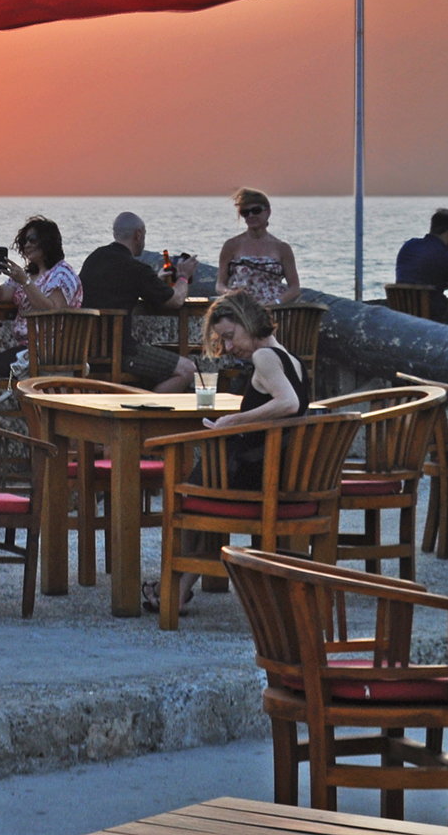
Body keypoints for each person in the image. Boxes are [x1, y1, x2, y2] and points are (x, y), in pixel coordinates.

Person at [142, 290, 311, 615]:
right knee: (206, 486)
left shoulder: (264, 357)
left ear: (248, 322)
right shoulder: (292, 359)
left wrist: (234, 420)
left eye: (231, 337)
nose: (230, 348)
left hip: (258, 477)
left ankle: (172, 587)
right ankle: (175, 590)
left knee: (190, 494)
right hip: (281, 472)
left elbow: (288, 403)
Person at [0, 216, 82, 421]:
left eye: (33, 238)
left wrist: (25, 282)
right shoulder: (28, 274)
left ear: (48, 241)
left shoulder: (63, 273)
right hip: (26, 351)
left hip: (48, 351)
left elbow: (53, 311)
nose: (27, 244)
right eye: (24, 240)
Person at [78, 213, 198, 395]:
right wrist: (183, 276)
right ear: (138, 234)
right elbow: (176, 301)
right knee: (188, 370)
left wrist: (154, 281)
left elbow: (119, 287)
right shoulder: (135, 269)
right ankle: (147, 412)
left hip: (86, 351)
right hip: (121, 352)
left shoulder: (93, 259)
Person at [215, 188, 302, 306]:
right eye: (245, 212)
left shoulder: (282, 248)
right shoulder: (231, 245)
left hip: (273, 311)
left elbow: (295, 288)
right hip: (241, 309)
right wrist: (230, 294)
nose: (250, 215)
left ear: (268, 212)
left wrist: (276, 303)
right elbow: (220, 285)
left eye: (256, 210)